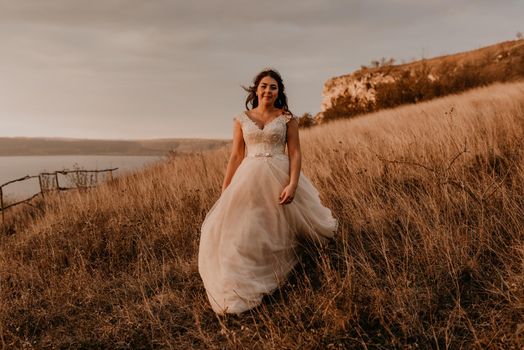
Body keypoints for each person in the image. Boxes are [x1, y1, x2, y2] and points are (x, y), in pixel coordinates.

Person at [198, 68, 338, 315]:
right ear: (256, 89)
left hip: (278, 174)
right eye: (264, 86)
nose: (268, 91)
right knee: (246, 226)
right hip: (249, 177)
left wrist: (292, 184)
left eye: (273, 87)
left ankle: (283, 267)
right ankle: (241, 280)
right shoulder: (241, 119)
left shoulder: (287, 119)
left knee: (276, 224)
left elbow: (295, 153)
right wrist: (225, 189)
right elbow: (236, 156)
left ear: (278, 92)